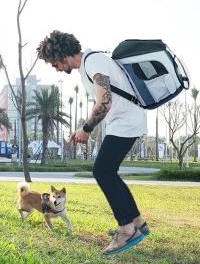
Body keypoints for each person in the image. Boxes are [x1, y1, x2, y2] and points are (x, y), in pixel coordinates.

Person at [37, 30, 149, 255]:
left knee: (103, 171)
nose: (56, 68)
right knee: (108, 171)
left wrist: (86, 129)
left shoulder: (93, 61)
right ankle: (137, 222)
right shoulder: (87, 66)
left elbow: (104, 102)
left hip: (126, 121)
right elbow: (103, 102)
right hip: (123, 122)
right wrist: (85, 129)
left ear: (62, 55)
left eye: (54, 63)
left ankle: (127, 229)